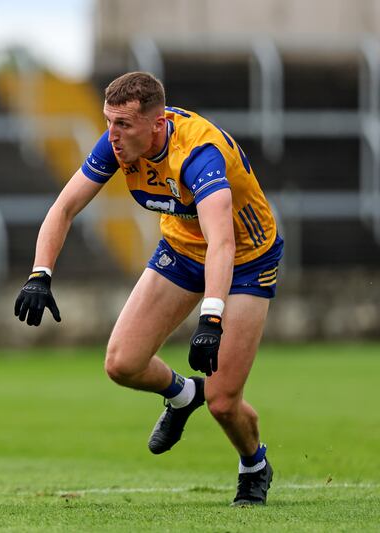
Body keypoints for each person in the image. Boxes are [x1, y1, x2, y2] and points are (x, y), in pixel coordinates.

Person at [14, 72, 282, 506]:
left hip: (246, 259)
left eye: (123, 125)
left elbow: (223, 243)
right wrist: (40, 273)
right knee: (122, 363)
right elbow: (64, 207)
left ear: (157, 124)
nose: (112, 136)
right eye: (108, 122)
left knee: (223, 402)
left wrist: (211, 318)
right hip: (181, 248)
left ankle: (253, 464)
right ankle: (181, 394)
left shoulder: (198, 154)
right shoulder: (116, 146)